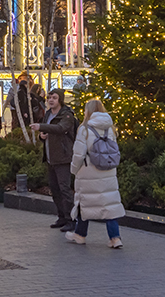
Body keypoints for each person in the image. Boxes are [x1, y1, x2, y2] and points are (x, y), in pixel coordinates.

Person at [67, 99, 125, 248]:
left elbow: (79, 154)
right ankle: (115, 238)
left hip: (88, 172)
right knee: (109, 205)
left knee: (84, 203)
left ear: (88, 111)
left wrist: (73, 170)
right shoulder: (110, 128)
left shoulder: (84, 129)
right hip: (108, 171)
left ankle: (80, 235)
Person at [31, 89, 78, 232]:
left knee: (64, 189)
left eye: (54, 98)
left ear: (60, 100)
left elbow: (60, 128)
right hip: (50, 157)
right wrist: (41, 136)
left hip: (63, 157)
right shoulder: (48, 114)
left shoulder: (67, 115)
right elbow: (46, 132)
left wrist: (41, 127)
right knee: (54, 189)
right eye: (49, 97)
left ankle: (71, 219)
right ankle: (61, 216)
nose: (51, 100)